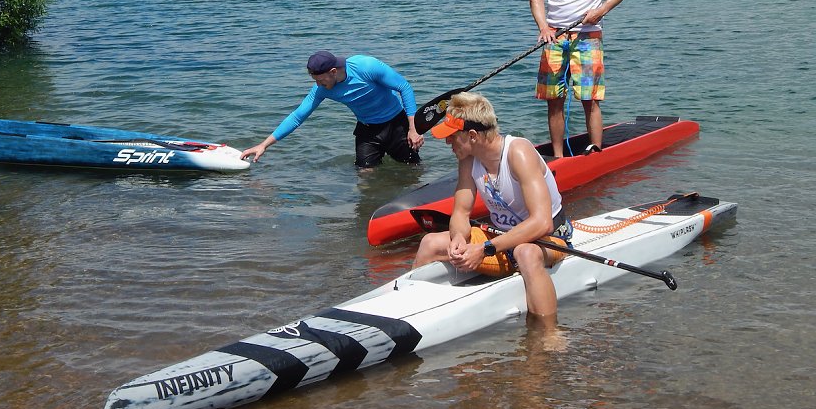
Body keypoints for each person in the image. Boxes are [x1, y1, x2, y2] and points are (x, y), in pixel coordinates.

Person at [412, 92, 572, 320]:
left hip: (547, 238)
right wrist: (458, 238)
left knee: (525, 252)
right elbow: (461, 212)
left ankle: (547, 333)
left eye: (452, 136)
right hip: (500, 239)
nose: (448, 142)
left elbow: (542, 223)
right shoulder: (467, 159)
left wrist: (485, 249)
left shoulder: (518, 153)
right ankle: (411, 311)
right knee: (430, 243)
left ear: (473, 135)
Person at [529, 0, 632, 157]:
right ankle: (557, 157)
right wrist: (543, 27)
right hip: (555, 37)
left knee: (590, 99)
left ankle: (595, 153)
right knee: (553, 100)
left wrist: (601, 10)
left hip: (588, 36)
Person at [241, 51, 424, 168]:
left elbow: (404, 87)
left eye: (321, 80)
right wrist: (263, 145)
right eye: (315, 81)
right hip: (367, 130)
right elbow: (297, 117)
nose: (318, 85)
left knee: (412, 168)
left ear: (333, 71)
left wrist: (413, 128)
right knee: (365, 175)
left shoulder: (366, 66)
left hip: (396, 124)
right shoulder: (321, 89)